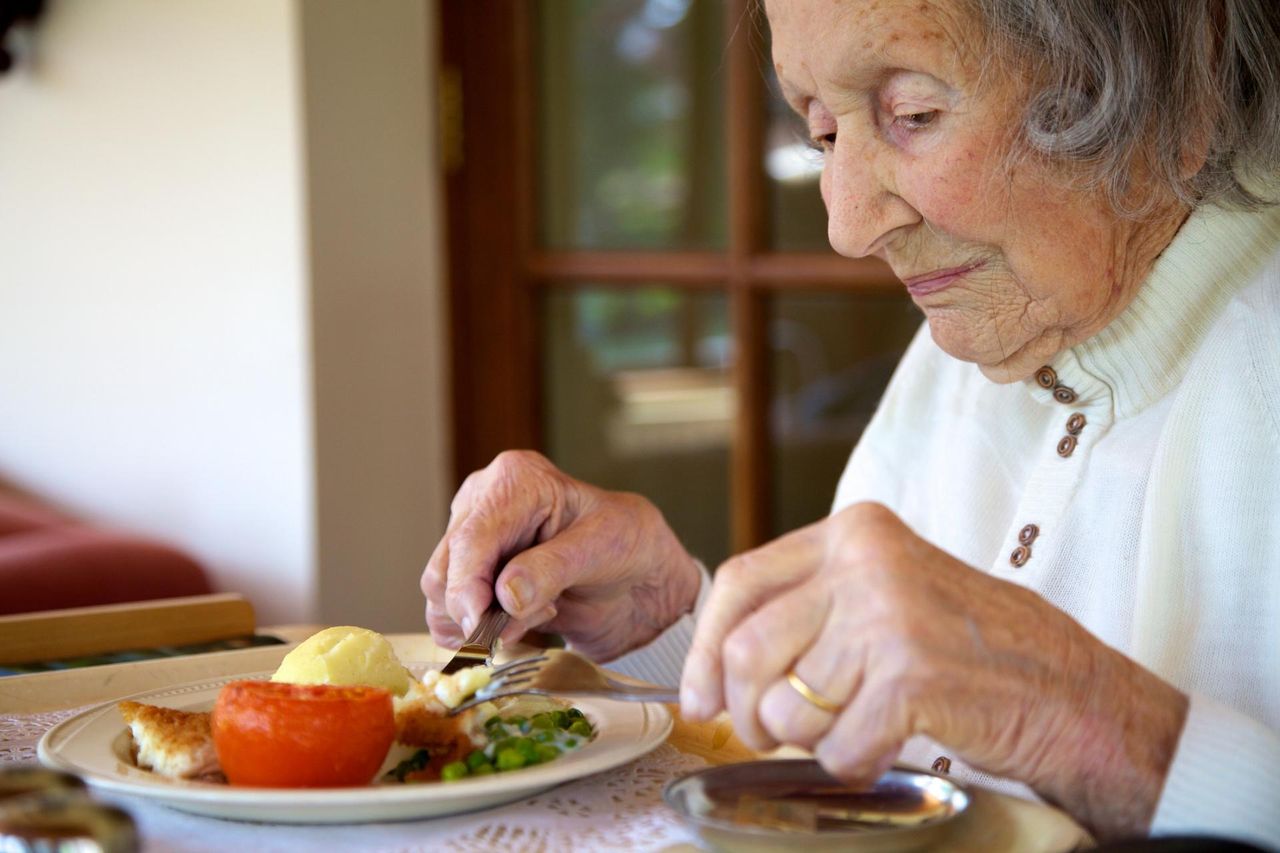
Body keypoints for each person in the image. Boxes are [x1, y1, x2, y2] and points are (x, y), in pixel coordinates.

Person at [421, 0, 1280, 845]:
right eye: (822, 131)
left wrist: (1083, 720)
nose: (847, 224)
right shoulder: (977, 341)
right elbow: (866, 735)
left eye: (914, 113)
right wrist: (666, 623)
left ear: (1182, 88)